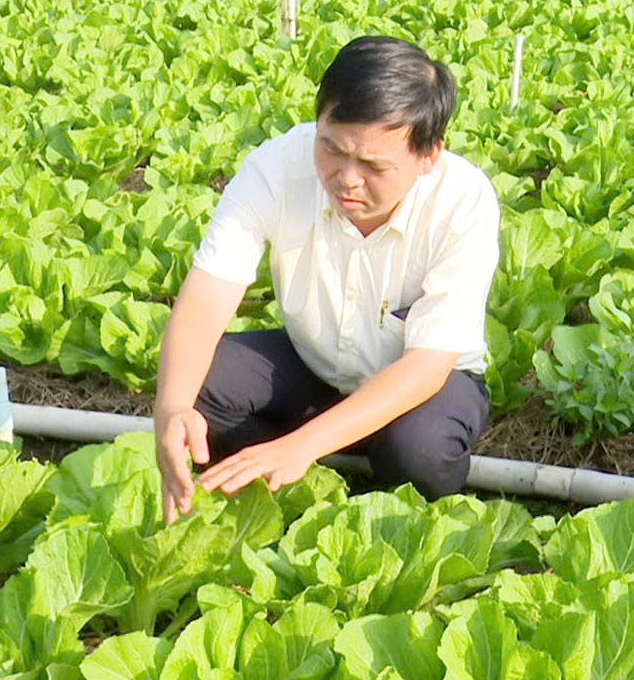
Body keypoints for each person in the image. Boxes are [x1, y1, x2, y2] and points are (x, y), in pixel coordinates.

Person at [154, 35, 499, 524]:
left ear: (428, 155)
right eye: (331, 148)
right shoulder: (275, 168)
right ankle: (280, 496)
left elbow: (427, 364)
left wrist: (301, 445)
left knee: (420, 452)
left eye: (374, 165)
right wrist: (170, 410)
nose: (347, 178)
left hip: (426, 384)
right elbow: (208, 294)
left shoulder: (464, 201)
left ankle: (340, 481)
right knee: (199, 388)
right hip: (313, 362)